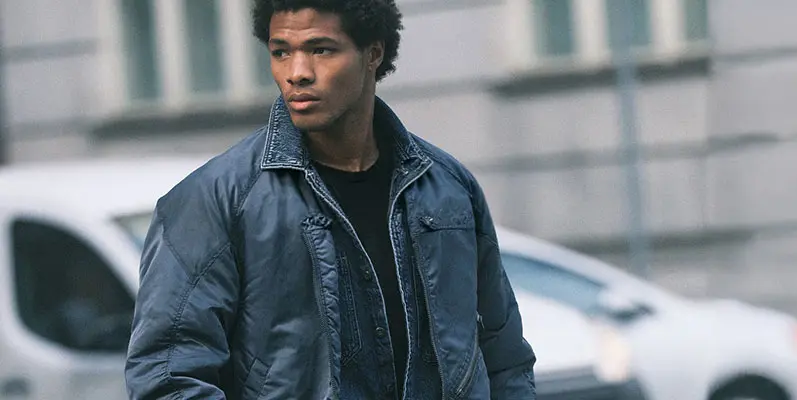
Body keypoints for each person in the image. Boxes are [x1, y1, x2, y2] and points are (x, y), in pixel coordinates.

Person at [124, 0, 537, 398]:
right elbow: (168, 378)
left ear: (373, 53)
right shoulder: (214, 200)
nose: (297, 73)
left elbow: (504, 358)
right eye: (281, 52)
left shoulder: (446, 186)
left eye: (320, 50)